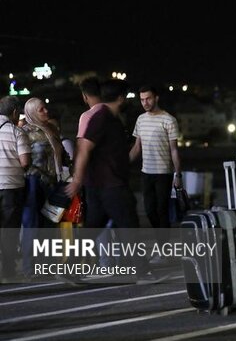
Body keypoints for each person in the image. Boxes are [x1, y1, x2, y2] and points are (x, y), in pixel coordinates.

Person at [66, 80, 164, 283]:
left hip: (102, 184)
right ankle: (141, 270)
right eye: (127, 96)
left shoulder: (111, 117)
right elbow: (84, 148)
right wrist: (77, 179)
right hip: (109, 184)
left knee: (93, 228)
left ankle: (69, 268)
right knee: (129, 225)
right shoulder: (102, 117)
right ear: (120, 97)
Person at [129, 86, 182, 263]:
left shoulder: (169, 120)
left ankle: (163, 252)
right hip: (146, 173)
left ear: (156, 98)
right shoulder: (140, 119)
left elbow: (174, 150)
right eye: (142, 99)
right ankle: (162, 247)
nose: (145, 102)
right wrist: (123, 164)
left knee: (162, 211)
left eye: (148, 99)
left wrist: (178, 175)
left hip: (163, 173)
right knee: (150, 211)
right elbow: (137, 147)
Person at [20, 97, 68, 277]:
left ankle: (47, 265)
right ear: (32, 112)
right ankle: (30, 267)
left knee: (50, 224)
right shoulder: (24, 132)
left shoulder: (52, 129)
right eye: (41, 110)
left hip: (53, 182)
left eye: (45, 108)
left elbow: (61, 156)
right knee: (33, 225)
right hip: (33, 182)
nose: (46, 112)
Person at [0, 96, 31, 282]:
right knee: (9, 229)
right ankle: (8, 269)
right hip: (11, 187)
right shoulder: (17, 132)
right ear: (14, 113)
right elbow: (25, 162)